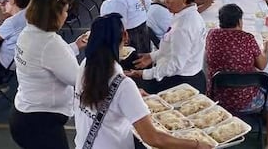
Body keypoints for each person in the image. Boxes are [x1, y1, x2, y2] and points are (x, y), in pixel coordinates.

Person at [74, 14, 205, 149]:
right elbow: (153, 138)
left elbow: (104, 93)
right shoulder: (123, 85)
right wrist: (196, 145)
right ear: (125, 36)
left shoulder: (86, 65)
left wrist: (132, 94)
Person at [10, 0, 88, 149]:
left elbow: (46, 60)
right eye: (65, 11)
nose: (66, 16)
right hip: (40, 123)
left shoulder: (28, 32)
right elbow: (78, 78)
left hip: (25, 115)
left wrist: (75, 46)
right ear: (53, 14)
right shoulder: (50, 42)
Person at [205, 3, 268, 149]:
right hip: (246, 99)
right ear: (240, 21)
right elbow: (262, 65)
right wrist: (266, 50)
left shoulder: (212, 35)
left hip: (217, 97)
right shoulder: (247, 38)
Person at [127, 0, 206, 94]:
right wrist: (153, 56)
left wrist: (145, 74)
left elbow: (175, 65)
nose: (165, 1)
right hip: (187, 76)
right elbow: (173, 48)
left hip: (181, 83)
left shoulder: (183, 27)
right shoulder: (185, 16)